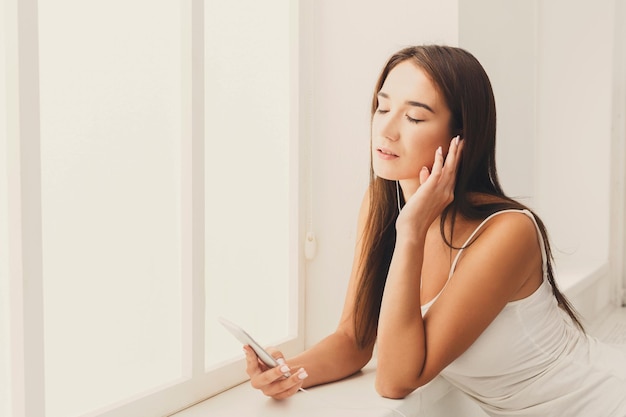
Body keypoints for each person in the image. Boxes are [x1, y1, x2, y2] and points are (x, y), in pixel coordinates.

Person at [243, 45, 626, 416]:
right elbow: (354, 340)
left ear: (460, 137)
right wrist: (287, 371)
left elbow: (395, 380)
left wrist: (410, 231)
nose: (387, 130)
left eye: (414, 117)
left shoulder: (508, 232)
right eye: (383, 106)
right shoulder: (379, 206)